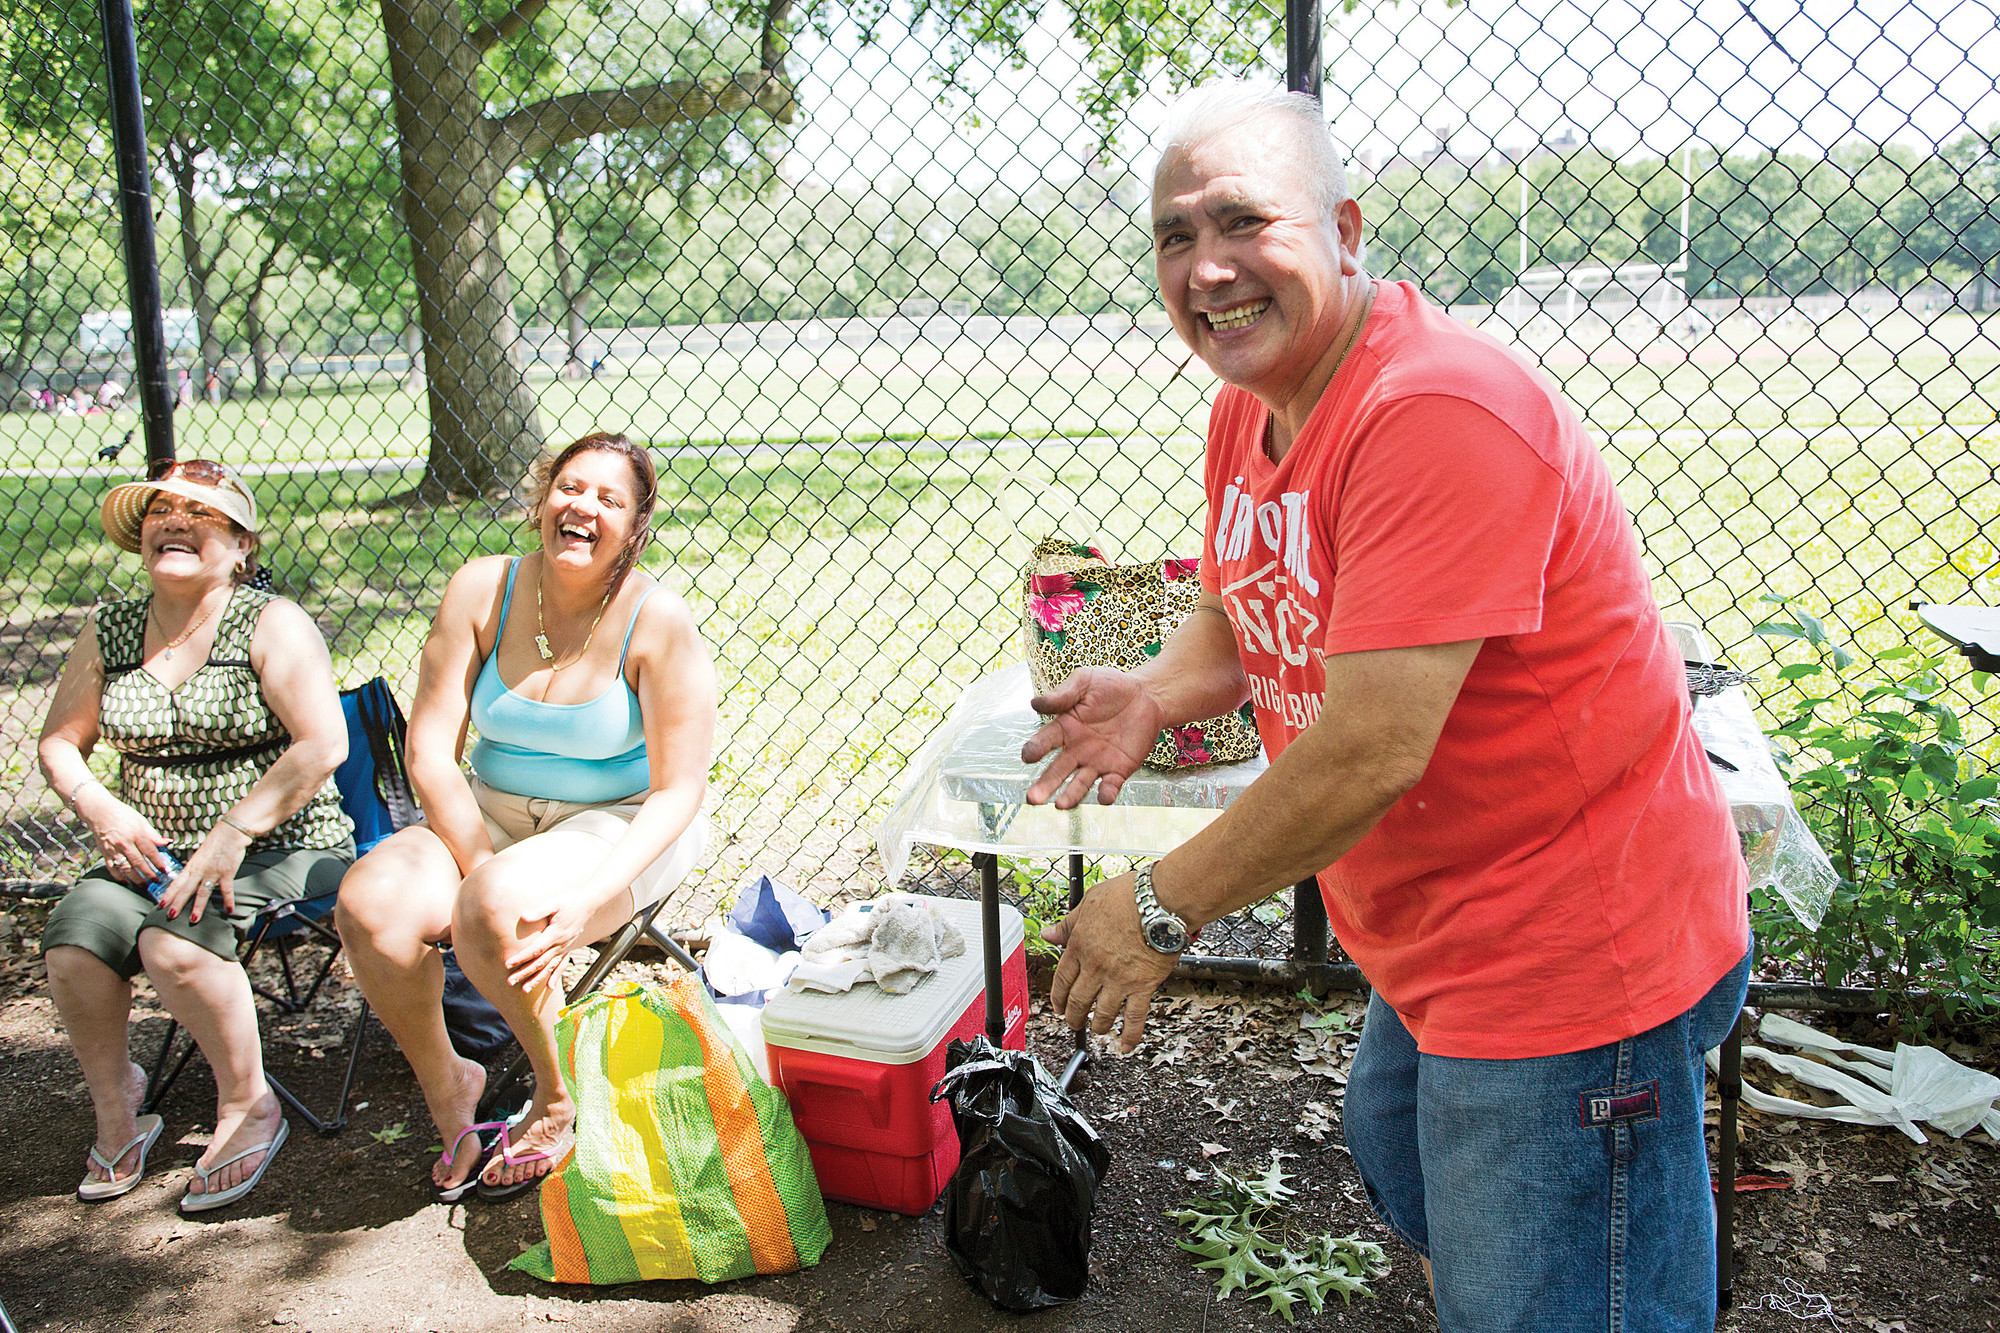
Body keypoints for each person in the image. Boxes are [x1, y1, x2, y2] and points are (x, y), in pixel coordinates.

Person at [1023, 84, 1750, 1333]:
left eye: (1242, 222)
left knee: (1554, 1294)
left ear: (1345, 229)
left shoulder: (1432, 411)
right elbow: (1245, 604)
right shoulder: (1249, 405)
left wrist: (1153, 907)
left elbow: (1370, 745)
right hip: (1438, 938)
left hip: (1571, 953)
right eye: (1172, 236)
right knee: (1403, 1152)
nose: (1206, 268)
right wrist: (1150, 691)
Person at [336, 431, 715, 1202]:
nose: (584, 506)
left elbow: (679, 790)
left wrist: (583, 898)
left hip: (621, 824)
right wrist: (480, 869)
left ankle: (553, 1094)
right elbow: (430, 753)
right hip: (491, 812)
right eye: (570, 487)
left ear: (635, 526)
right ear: (543, 499)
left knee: (496, 903)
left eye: (610, 498)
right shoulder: (483, 589)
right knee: (368, 902)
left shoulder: (657, 619)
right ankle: (452, 1086)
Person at [38, 459, 355, 1211]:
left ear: (243, 544)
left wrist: (233, 829)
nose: (175, 520)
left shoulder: (269, 621)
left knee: (171, 942)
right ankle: (119, 1106)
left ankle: (251, 1105)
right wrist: (101, 809)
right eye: (161, 510)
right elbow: (59, 742)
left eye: (202, 512)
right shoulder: (110, 628)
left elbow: (322, 744)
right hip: (148, 854)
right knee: (73, 943)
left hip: (283, 845)